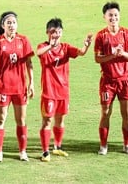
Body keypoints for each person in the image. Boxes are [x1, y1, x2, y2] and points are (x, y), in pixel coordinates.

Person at [36, 18, 92, 162]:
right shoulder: (43, 46)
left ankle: (57, 146)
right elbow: (39, 53)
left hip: (63, 92)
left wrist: (86, 46)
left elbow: (80, 53)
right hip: (49, 92)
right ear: (47, 32)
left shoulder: (65, 48)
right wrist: (50, 46)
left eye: (59, 32)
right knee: (47, 121)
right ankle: (45, 151)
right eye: (53, 32)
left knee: (60, 120)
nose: (56, 35)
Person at [0, 11, 34, 162]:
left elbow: (29, 63)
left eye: (14, 22)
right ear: (3, 25)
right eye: (8, 23)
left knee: (21, 120)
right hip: (3, 88)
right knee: (1, 119)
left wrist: (31, 83)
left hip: (20, 87)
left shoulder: (23, 40)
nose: (12, 25)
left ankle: (23, 152)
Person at [94, 1, 128, 156]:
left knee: (126, 113)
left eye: (116, 15)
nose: (113, 18)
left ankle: (127, 145)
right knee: (105, 112)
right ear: (104, 17)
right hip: (108, 82)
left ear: (119, 16)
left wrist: (122, 53)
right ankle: (103, 145)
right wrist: (113, 55)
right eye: (110, 15)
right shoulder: (101, 36)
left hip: (125, 80)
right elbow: (97, 59)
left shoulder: (127, 34)